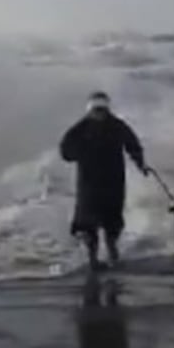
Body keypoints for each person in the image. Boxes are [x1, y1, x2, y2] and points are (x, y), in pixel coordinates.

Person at [60, 91, 149, 271]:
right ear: (90, 109)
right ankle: (93, 258)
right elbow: (65, 151)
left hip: (113, 181)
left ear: (107, 109)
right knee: (88, 223)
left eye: (102, 109)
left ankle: (112, 252)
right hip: (89, 183)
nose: (99, 113)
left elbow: (133, 145)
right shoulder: (80, 129)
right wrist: (77, 154)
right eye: (96, 110)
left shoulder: (117, 126)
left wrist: (141, 164)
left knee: (112, 220)